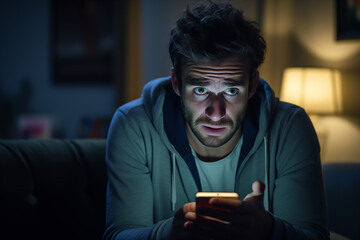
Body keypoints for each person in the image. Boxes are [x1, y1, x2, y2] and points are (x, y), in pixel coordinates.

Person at [103, 2, 329, 240]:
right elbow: (118, 235)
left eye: (232, 91)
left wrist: (269, 229)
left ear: (252, 85)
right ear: (176, 83)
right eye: (200, 89)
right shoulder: (133, 125)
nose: (216, 112)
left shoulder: (290, 128)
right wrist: (170, 233)